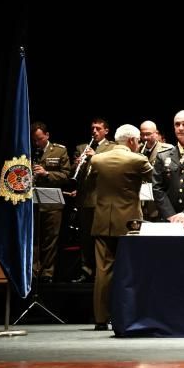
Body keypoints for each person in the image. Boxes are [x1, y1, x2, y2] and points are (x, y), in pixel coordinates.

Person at [83, 124, 153, 331]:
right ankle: (127, 314)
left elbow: (88, 185)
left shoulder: (97, 159)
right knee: (131, 270)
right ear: (132, 141)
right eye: (138, 140)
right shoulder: (138, 159)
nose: (139, 144)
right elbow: (155, 182)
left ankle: (100, 319)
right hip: (129, 223)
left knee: (102, 271)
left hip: (103, 220)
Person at [70, 118, 116, 283]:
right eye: (92, 129)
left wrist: (95, 156)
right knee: (85, 238)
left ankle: (101, 273)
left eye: (98, 129)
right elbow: (73, 173)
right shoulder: (81, 148)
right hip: (84, 199)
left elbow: (111, 169)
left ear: (106, 131)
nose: (94, 132)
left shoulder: (112, 147)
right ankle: (86, 271)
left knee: (101, 238)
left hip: (101, 199)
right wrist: (77, 164)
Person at [30, 122, 70, 283]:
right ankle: (33, 271)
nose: (37, 143)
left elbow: (66, 176)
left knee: (50, 240)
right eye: (34, 140)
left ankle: (47, 272)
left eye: (39, 139)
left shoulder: (60, 150)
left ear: (47, 135)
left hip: (52, 204)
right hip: (33, 202)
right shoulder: (30, 151)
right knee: (34, 240)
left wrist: (46, 174)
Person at [138, 120, 173, 222]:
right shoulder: (137, 150)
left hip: (158, 199)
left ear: (156, 134)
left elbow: (169, 175)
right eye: (142, 134)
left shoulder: (167, 150)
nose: (145, 138)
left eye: (148, 134)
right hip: (142, 199)